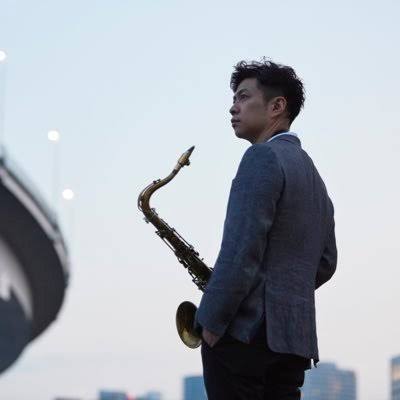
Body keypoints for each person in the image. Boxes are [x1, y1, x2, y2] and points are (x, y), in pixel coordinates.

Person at [195, 59, 337, 400]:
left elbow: (241, 251)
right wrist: (282, 292)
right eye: (234, 99)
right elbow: (326, 262)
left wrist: (211, 323)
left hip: (243, 334)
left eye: (244, 97)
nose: (233, 107)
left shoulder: (261, 158)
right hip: (293, 342)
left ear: (277, 107)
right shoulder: (314, 178)